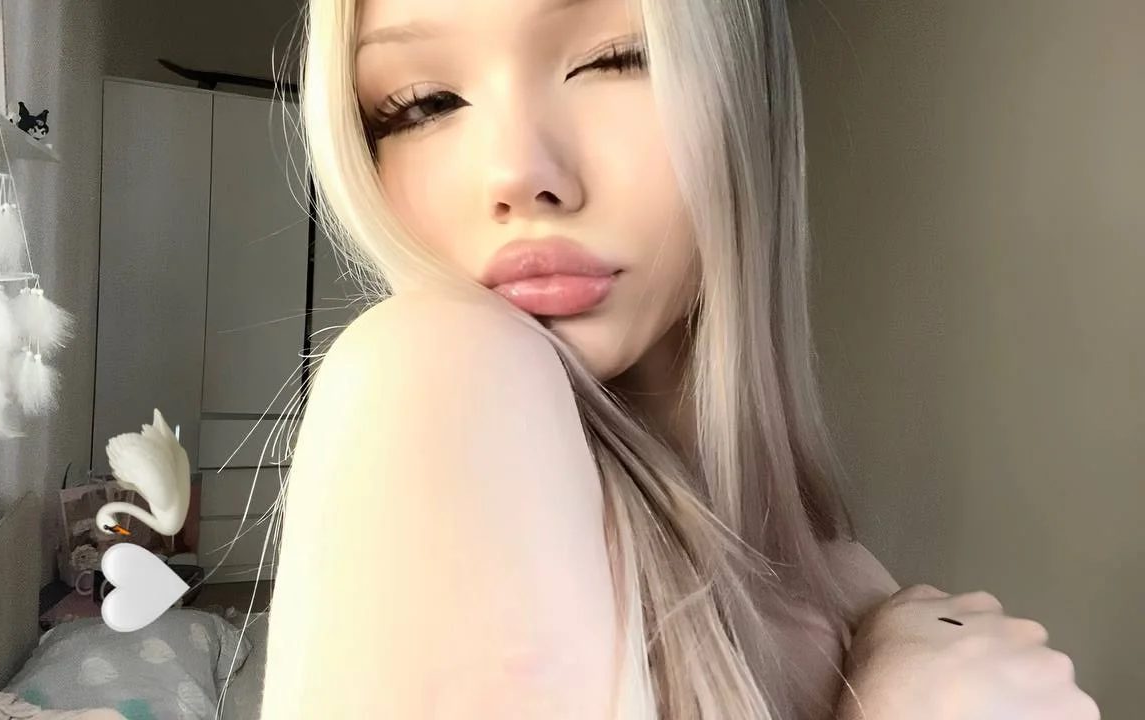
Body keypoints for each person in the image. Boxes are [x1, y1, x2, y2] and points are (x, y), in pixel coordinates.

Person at [260, 0, 1100, 718]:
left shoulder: (853, 583)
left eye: (617, 59)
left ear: (744, 90)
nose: (516, 173)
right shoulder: (436, 371)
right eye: (422, 103)